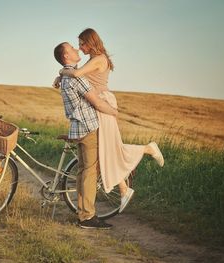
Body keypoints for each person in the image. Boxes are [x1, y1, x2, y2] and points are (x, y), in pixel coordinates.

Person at [55, 28, 164, 213]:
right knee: (107, 149)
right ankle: (123, 189)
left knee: (112, 148)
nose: (80, 48)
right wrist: (62, 75)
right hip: (99, 105)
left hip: (103, 103)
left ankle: (147, 149)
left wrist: (61, 71)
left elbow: (75, 74)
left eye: (82, 44)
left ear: (91, 42)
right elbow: (77, 76)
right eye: (78, 45)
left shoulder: (99, 59)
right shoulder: (93, 59)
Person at [54, 42, 118, 229]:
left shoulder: (67, 77)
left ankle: (82, 213)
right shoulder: (77, 78)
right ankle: (88, 217)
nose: (76, 49)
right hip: (89, 129)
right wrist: (114, 111)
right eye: (72, 49)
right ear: (66, 57)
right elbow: (97, 102)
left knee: (83, 171)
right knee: (90, 172)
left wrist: (59, 74)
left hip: (78, 129)